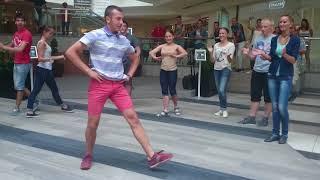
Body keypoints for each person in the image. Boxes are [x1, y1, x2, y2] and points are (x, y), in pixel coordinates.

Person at [65, 5, 173, 170]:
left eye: (122, 19)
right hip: (99, 85)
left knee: (133, 118)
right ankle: (88, 154)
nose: (122, 22)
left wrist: (129, 75)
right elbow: (71, 52)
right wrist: (88, 72)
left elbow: (136, 57)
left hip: (117, 86)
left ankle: (152, 156)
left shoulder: (123, 40)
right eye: (118, 19)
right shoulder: (95, 35)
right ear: (108, 19)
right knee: (93, 124)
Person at [259, 15, 300, 144]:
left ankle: (285, 134)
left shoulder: (295, 40)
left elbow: (293, 60)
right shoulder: (275, 39)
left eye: (285, 21)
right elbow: (272, 57)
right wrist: (265, 56)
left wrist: (284, 54)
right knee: (275, 106)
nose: (282, 23)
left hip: (285, 76)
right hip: (272, 75)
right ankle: (275, 133)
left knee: (282, 107)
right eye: (281, 21)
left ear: (290, 24)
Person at [26, 26, 73, 117]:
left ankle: (63, 106)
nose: (51, 35)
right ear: (44, 32)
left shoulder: (44, 43)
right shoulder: (42, 43)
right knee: (36, 90)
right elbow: (40, 59)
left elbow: (44, 58)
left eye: (52, 33)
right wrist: (58, 57)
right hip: (43, 70)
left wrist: (51, 59)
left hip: (47, 70)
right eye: (50, 33)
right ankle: (29, 110)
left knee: (53, 89)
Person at [239, 18, 275, 126]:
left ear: (271, 28)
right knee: (255, 94)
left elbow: (275, 58)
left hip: (269, 72)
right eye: (261, 26)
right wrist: (247, 53)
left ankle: (265, 118)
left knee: (268, 96)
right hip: (257, 70)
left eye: (265, 27)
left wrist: (264, 55)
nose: (262, 29)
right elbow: (253, 57)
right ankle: (252, 117)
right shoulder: (258, 38)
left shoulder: (275, 39)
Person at [0, 13, 34, 115]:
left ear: (25, 22)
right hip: (17, 62)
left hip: (24, 63)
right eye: (18, 20)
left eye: (21, 20)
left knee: (19, 86)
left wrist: (4, 48)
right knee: (19, 85)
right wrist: (3, 47)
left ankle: (17, 107)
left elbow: (20, 49)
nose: (19, 22)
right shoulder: (16, 34)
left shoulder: (27, 34)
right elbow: (12, 45)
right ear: (15, 22)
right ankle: (34, 100)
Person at [149, 30, 188, 117]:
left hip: (172, 71)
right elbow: (151, 52)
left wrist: (176, 56)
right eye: (166, 36)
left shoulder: (176, 46)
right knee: (164, 90)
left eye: (170, 36)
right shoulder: (162, 46)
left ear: (173, 37)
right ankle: (165, 109)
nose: (168, 38)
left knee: (172, 89)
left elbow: (185, 53)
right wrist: (155, 58)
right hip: (163, 70)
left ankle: (176, 107)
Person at [209, 27, 235, 118]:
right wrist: (210, 52)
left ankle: (224, 109)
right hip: (216, 69)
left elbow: (230, 61)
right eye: (220, 33)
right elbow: (212, 61)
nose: (221, 35)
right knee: (219, 91)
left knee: (221, 89)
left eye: (223, 33)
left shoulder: (231, 45)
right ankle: (221, 109)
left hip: (225, 69)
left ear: (227, 34)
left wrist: (228, 56)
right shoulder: (216, 45)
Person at [120, 20, 141, 95]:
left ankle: (127, 99)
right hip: (118, 63)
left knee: (128, 81)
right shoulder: (116, 36)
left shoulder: (131, 37)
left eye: (124, 26)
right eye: (121, 25)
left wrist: (136, 60)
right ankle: (121, 99)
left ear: (127, 28)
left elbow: (138, 50)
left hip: (128, 63)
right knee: (119, 82)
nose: (122, 27)